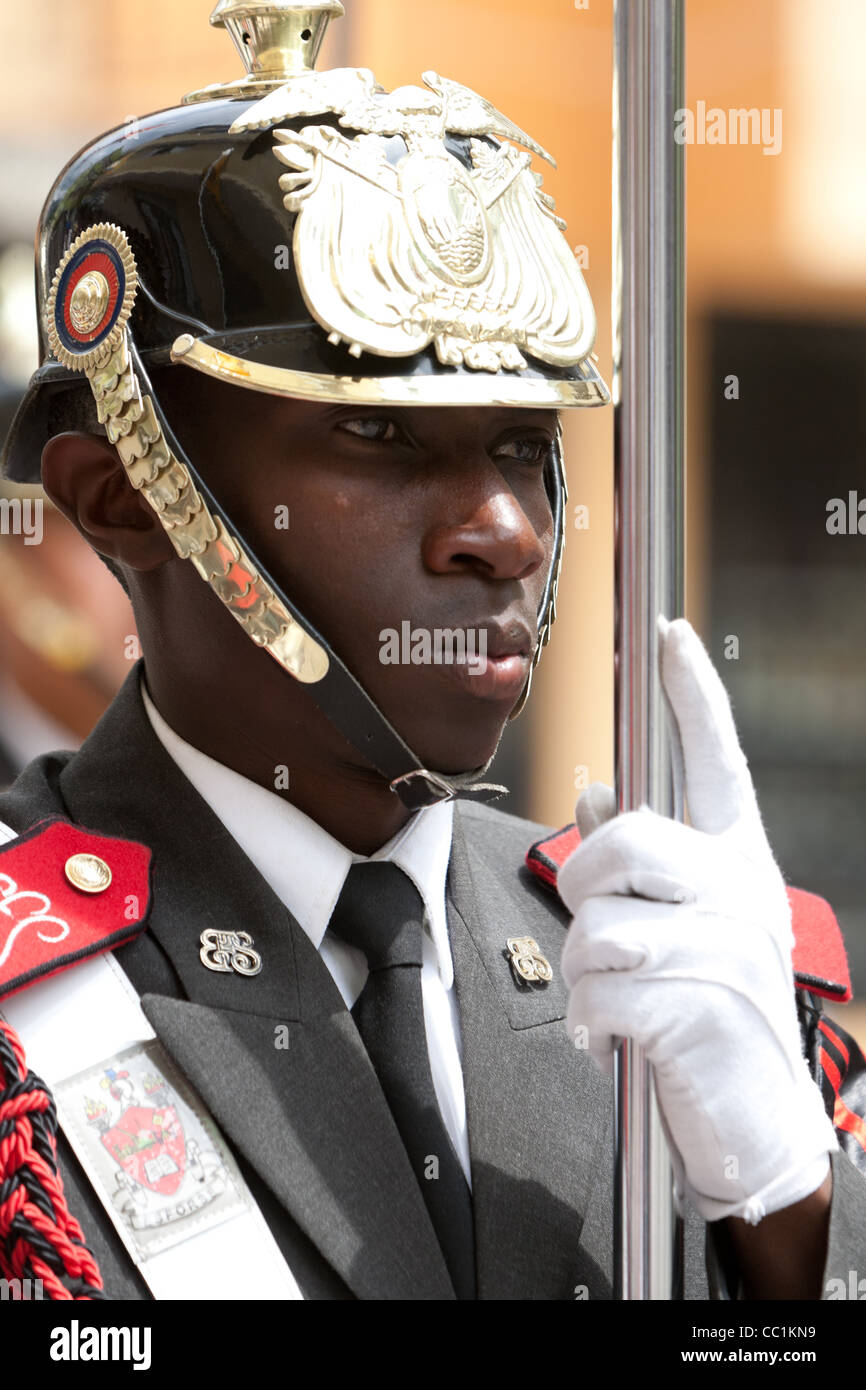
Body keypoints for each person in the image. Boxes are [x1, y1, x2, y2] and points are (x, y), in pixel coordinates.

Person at [0, 0, 864, 1302]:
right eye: (383, 444)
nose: (501, 531)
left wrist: (792, 1215)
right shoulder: (30, 1013)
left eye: (522, 446)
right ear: (122, 497)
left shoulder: (649, 949)